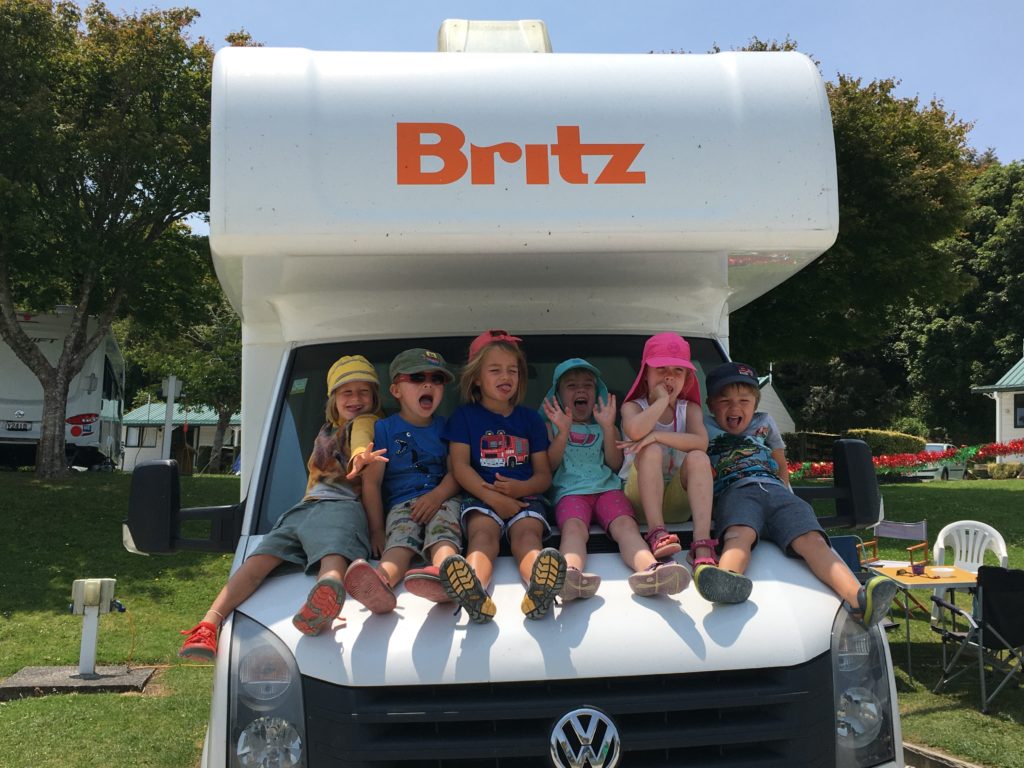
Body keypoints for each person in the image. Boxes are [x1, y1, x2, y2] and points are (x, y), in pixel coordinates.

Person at [178, 355, 387, 659]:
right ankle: (209, 624)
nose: (356, 398)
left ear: (375, 397)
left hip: (341, 507)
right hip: (305, 509)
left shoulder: (368, 422)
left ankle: (326, 600)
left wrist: (360, 460)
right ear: (333, 398)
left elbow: (361, 442)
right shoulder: (327, 430)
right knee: (257, 562)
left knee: (333, 557)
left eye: (364, 391)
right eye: (347, 391)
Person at [694, 361, 897, 625]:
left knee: (813, 540)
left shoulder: (765, 422)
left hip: (777, 492)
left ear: (755, 403)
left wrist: (786, 492)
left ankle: (859, 599)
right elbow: (692, 465)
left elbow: (780, 463)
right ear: (710, 405)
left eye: (744, 400)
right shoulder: (701, 426)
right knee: (738, 534)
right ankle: (727, 579)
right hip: (736, 491)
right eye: (725, 401)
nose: (735, 408)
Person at [441, 330, 565, 623]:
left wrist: (520, 489)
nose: (505, 376)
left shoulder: (531, 420)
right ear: (476, 378)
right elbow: (460, 467)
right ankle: (473, 588)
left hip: (526, 498)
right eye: (495, 370)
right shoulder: (463, 417)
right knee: (482, 536)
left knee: (528, 537)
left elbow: (544, 475)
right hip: (481, 496)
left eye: (513, 370)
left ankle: (539, 586)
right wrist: (494, 498)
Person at [543, 359, 689, 598]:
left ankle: (651, 570)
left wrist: (609, 427)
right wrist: (563, 432)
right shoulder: (551, 427)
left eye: (588, 385)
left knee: (627, 527)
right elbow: (549, 466)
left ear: (596, 393)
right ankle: (569, 574)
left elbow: (615, 463)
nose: (581, 390)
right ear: (558, 395)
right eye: (571, 386)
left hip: (608, 490)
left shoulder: (603, 427)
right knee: (574, 529)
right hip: (570, 493)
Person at [342, 348, 463, 612]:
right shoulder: (383, 429)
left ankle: (445, 572)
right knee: (399, 540)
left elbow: (457, 473)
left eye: (437, 379)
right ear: (396, 390)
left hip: (442, 497)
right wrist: (376, 530)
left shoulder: (448, 427)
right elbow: (372, 483)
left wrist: (436, 496)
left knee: (443, 532)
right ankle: (380, 582)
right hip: (402, 504)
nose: (428, 384)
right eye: (417, 378)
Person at [618, 332, 717, 570]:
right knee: (650, 450)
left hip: (676, 503)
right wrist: (661, 401)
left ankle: (701, 543)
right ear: (645, 374)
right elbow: (635, 430)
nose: (669, 376)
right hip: (638, 503)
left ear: (687, 378)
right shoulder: (632, 407)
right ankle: (656, 532)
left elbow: (700, 442)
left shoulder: (689, 409)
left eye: (678, 370)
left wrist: (658, 435)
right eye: (661, 369)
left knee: (698, 457)